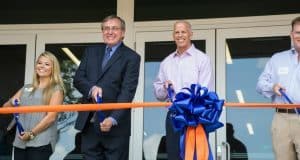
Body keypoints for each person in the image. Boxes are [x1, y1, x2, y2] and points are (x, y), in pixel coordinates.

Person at [74, 15, 141, 160]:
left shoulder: (132, 57)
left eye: (115, 28)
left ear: (123, 33)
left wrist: (112, 118)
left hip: (115, 128)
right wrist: (91, 89)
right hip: (89, 125)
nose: (110, 32)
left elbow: (127, 91)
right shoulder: (91, 51)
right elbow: (78, 79)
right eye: (106, 28)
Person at [153, 20, 214, 160]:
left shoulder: (202, 59)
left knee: (196, 157)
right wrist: (163, 87)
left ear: (191, 34)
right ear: (173, 35)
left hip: (195, 116)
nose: (180, 35)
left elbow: (205, 91)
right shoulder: (166, 62)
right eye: (177, 32)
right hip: (174, 117)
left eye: (183, 32)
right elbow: (158, 94)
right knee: (174, 156)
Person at [2, 51, 65, 160]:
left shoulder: (56, 89)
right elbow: (5, 108)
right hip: (20, 142)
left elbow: (51, 118)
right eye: (39, 63)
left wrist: (31, 134)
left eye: (47, 64)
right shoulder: (26, 88)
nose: (42, 66)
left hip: (41, 142)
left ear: (53, 68)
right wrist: (12, 102)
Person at [256, 16, 300, 160]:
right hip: (282, 118)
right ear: (291, 34)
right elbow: (260, 84)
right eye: (297, 32)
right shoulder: (277, 59)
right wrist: (272, 86)